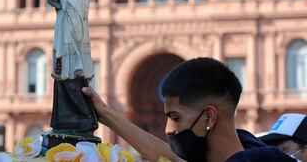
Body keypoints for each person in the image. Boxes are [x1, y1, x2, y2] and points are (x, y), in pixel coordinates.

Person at [82, 57, 297, 162]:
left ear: (209, 117)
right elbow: (167, 155)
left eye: (175, 117)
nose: (168, 129)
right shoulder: (246, 144)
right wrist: (106, 115)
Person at [45, 0, 99, 141]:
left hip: (72, 36)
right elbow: (68, 5)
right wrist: (56, 0)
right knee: (64, 78)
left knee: (72, 78)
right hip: (66, 33)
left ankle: (84, 119)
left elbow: (77, 3)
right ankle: (65, 121)